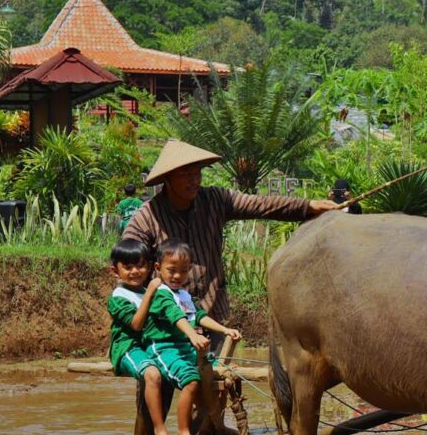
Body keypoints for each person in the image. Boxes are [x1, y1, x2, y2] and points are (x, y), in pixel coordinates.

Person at [123, 139, 338, 349]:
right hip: (164, 325)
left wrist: (309, 206)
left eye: (197, 172)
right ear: (167, 179)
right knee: (157, 382)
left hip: (209, 314)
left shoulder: (215, 200)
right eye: (186, 174)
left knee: (218, 380)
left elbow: (260, 204)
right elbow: (127, 262)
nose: (195, 180)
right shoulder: (146, 217)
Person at [142, 238, 242, 435]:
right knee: (191, 380)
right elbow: (176, 315)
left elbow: (199, 316)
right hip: (163, 347)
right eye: (172, 270)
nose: (178, 275)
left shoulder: (184, 294)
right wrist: (193, 335)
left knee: (211, 376)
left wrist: (224, 330)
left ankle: (210, 427)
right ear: (158, 268)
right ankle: (183, 432)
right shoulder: (162, 294)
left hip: (182, 347)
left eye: (184, 270)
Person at [106, 239, 170, 435]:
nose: (135, 271)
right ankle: (159, 432)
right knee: (152, 374)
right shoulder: (118, 296)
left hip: (150, 347)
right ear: (116, 271)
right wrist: (151, 292)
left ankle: (196, 430)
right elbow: (136, 324)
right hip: (128, 347)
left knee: (177, 372)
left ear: (150, 266)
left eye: (141, 265)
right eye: (128, 267)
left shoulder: (150, 292)